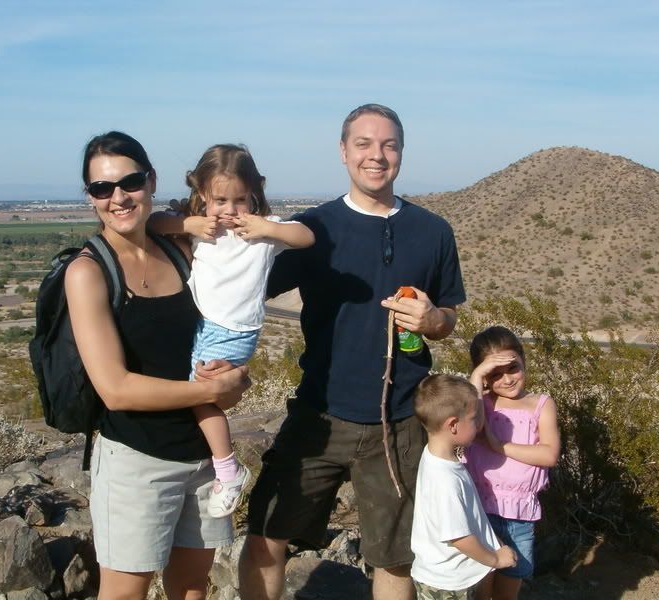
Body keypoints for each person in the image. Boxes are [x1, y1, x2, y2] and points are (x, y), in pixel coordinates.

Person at [239, 103, 466, 600]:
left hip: (400, 422)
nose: (376, 155)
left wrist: (433, 320)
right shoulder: (312, 229)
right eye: (363, 144)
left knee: (395, 560)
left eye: (388, 145)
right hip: (320, 414)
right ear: (343, 152)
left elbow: (448, 318)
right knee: (265, 538)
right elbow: (242, 289)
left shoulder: (433, 231)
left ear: (401, 153)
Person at [65, 131, 250, 600]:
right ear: (90, 196)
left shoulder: (180, 250)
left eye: (130, 182)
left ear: (151, 180)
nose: (118, 197)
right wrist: (212, 392)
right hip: (136, 459)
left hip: (203, 457)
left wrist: (233, 376)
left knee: (191, 588)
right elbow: (116, 389)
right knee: (125, 593)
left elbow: (215, 332)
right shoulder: (89, 272)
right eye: (102, 188)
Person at [150, 144, 314, 518]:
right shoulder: (201, 226)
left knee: (201, 396)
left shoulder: (260, 233)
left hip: (233, 330)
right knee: (192, 393)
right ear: (202, 193)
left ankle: (228, 470)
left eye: (240, 199)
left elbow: (306, 237)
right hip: (204, 325)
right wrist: (188, 224)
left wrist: (267, 227)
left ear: (254, 193)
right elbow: (154, 222)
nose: (230, 210)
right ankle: (213, 465)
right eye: (220, 200)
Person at [463, 326, 561, 600]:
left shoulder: (540, 404)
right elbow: (469, 424)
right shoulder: (481, 404)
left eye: (513, 368)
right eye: (494, 374)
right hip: (479, 509)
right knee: (481, 588)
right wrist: (476, 378)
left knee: (508, 587)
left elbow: (549, 454)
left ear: (523, 361)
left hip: (519, 515)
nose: (506, 379)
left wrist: (499, 446)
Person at [411, 374, 517, 599]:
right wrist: (495, 559)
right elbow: (458, 537)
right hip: (448, 583)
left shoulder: (436, 457)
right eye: (474, 418)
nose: (479, 424)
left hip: (451, 577)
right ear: (452, 425)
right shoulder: (444, 480)